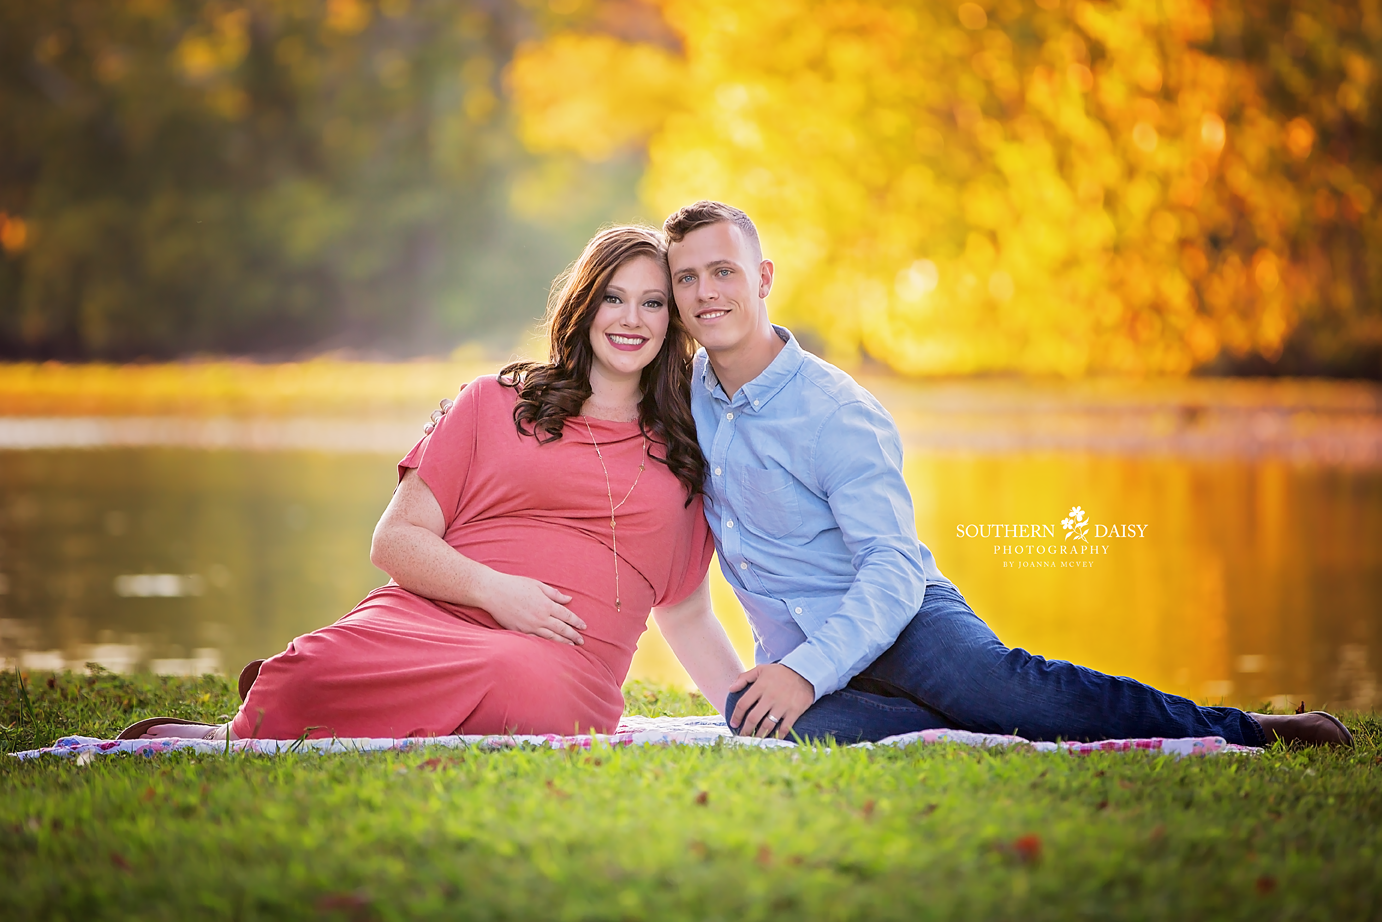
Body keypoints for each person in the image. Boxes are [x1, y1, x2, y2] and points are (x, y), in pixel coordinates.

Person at [659, 199, 1352, 748]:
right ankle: (955, 725)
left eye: (723, 271)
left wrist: (806, 675)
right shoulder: (684, 396)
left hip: (901, 619)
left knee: (1008, 692)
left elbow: (892, 570)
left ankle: (1248, 730)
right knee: (771, 724)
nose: (706, 292)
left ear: (764, 278)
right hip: (795, 646)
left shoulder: (836, 411)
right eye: (686, 277)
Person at [118, 225, 743, 742]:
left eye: (653, 302)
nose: (631, 318)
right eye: (613, 297)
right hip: (431, 615)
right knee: (310, 670)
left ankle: (294, 716)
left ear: (674, 320)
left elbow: (686, 613)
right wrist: (494, 591)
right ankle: (242, 727)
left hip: (562, 666)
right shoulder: (492, 403)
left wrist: (752, 723)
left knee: (525, 681)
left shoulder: (688, 449)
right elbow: (394, 540)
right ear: (584, 305)